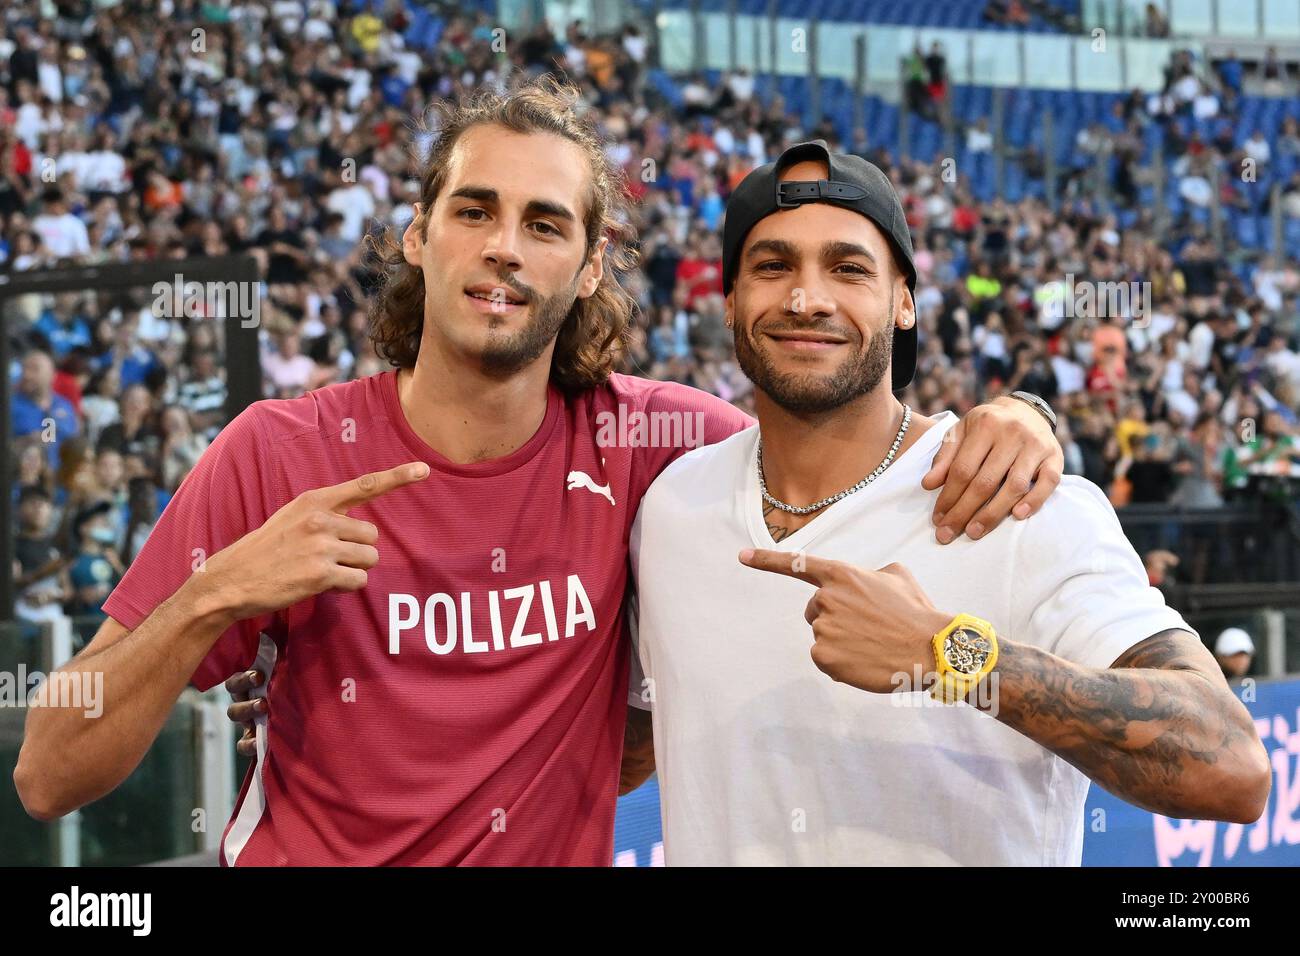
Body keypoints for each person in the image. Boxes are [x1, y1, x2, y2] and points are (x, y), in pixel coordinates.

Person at [15, 82, 1061, 866]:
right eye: (473, 210)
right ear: (420, 236)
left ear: (591, 262)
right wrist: (217, 594)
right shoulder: (276, 454)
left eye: (545, 223)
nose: (504, 246)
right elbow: (50, 769)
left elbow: (831, 430)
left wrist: (1025, 411)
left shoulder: (662, 447)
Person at [628, 141, 1270, 865]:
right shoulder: (670, 510)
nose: (807, 298)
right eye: (772, 266)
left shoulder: (1017, 500)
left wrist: (949, 654)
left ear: (904, 301)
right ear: (730, 300)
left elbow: (1231, 765)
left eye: (848, 268)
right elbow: (631, 743)